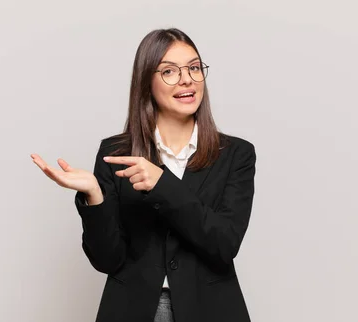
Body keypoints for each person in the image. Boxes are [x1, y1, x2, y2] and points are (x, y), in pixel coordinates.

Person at [31, 28, 256, 322]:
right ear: (146, 82)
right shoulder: (115, 152)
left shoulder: (235, 154)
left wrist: (162, 184)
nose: (187, 78)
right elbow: (107, 260)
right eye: (169, 71)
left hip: (210, 308)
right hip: (132, 309)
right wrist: (94, 197)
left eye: (194, 67)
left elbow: (224, 244)